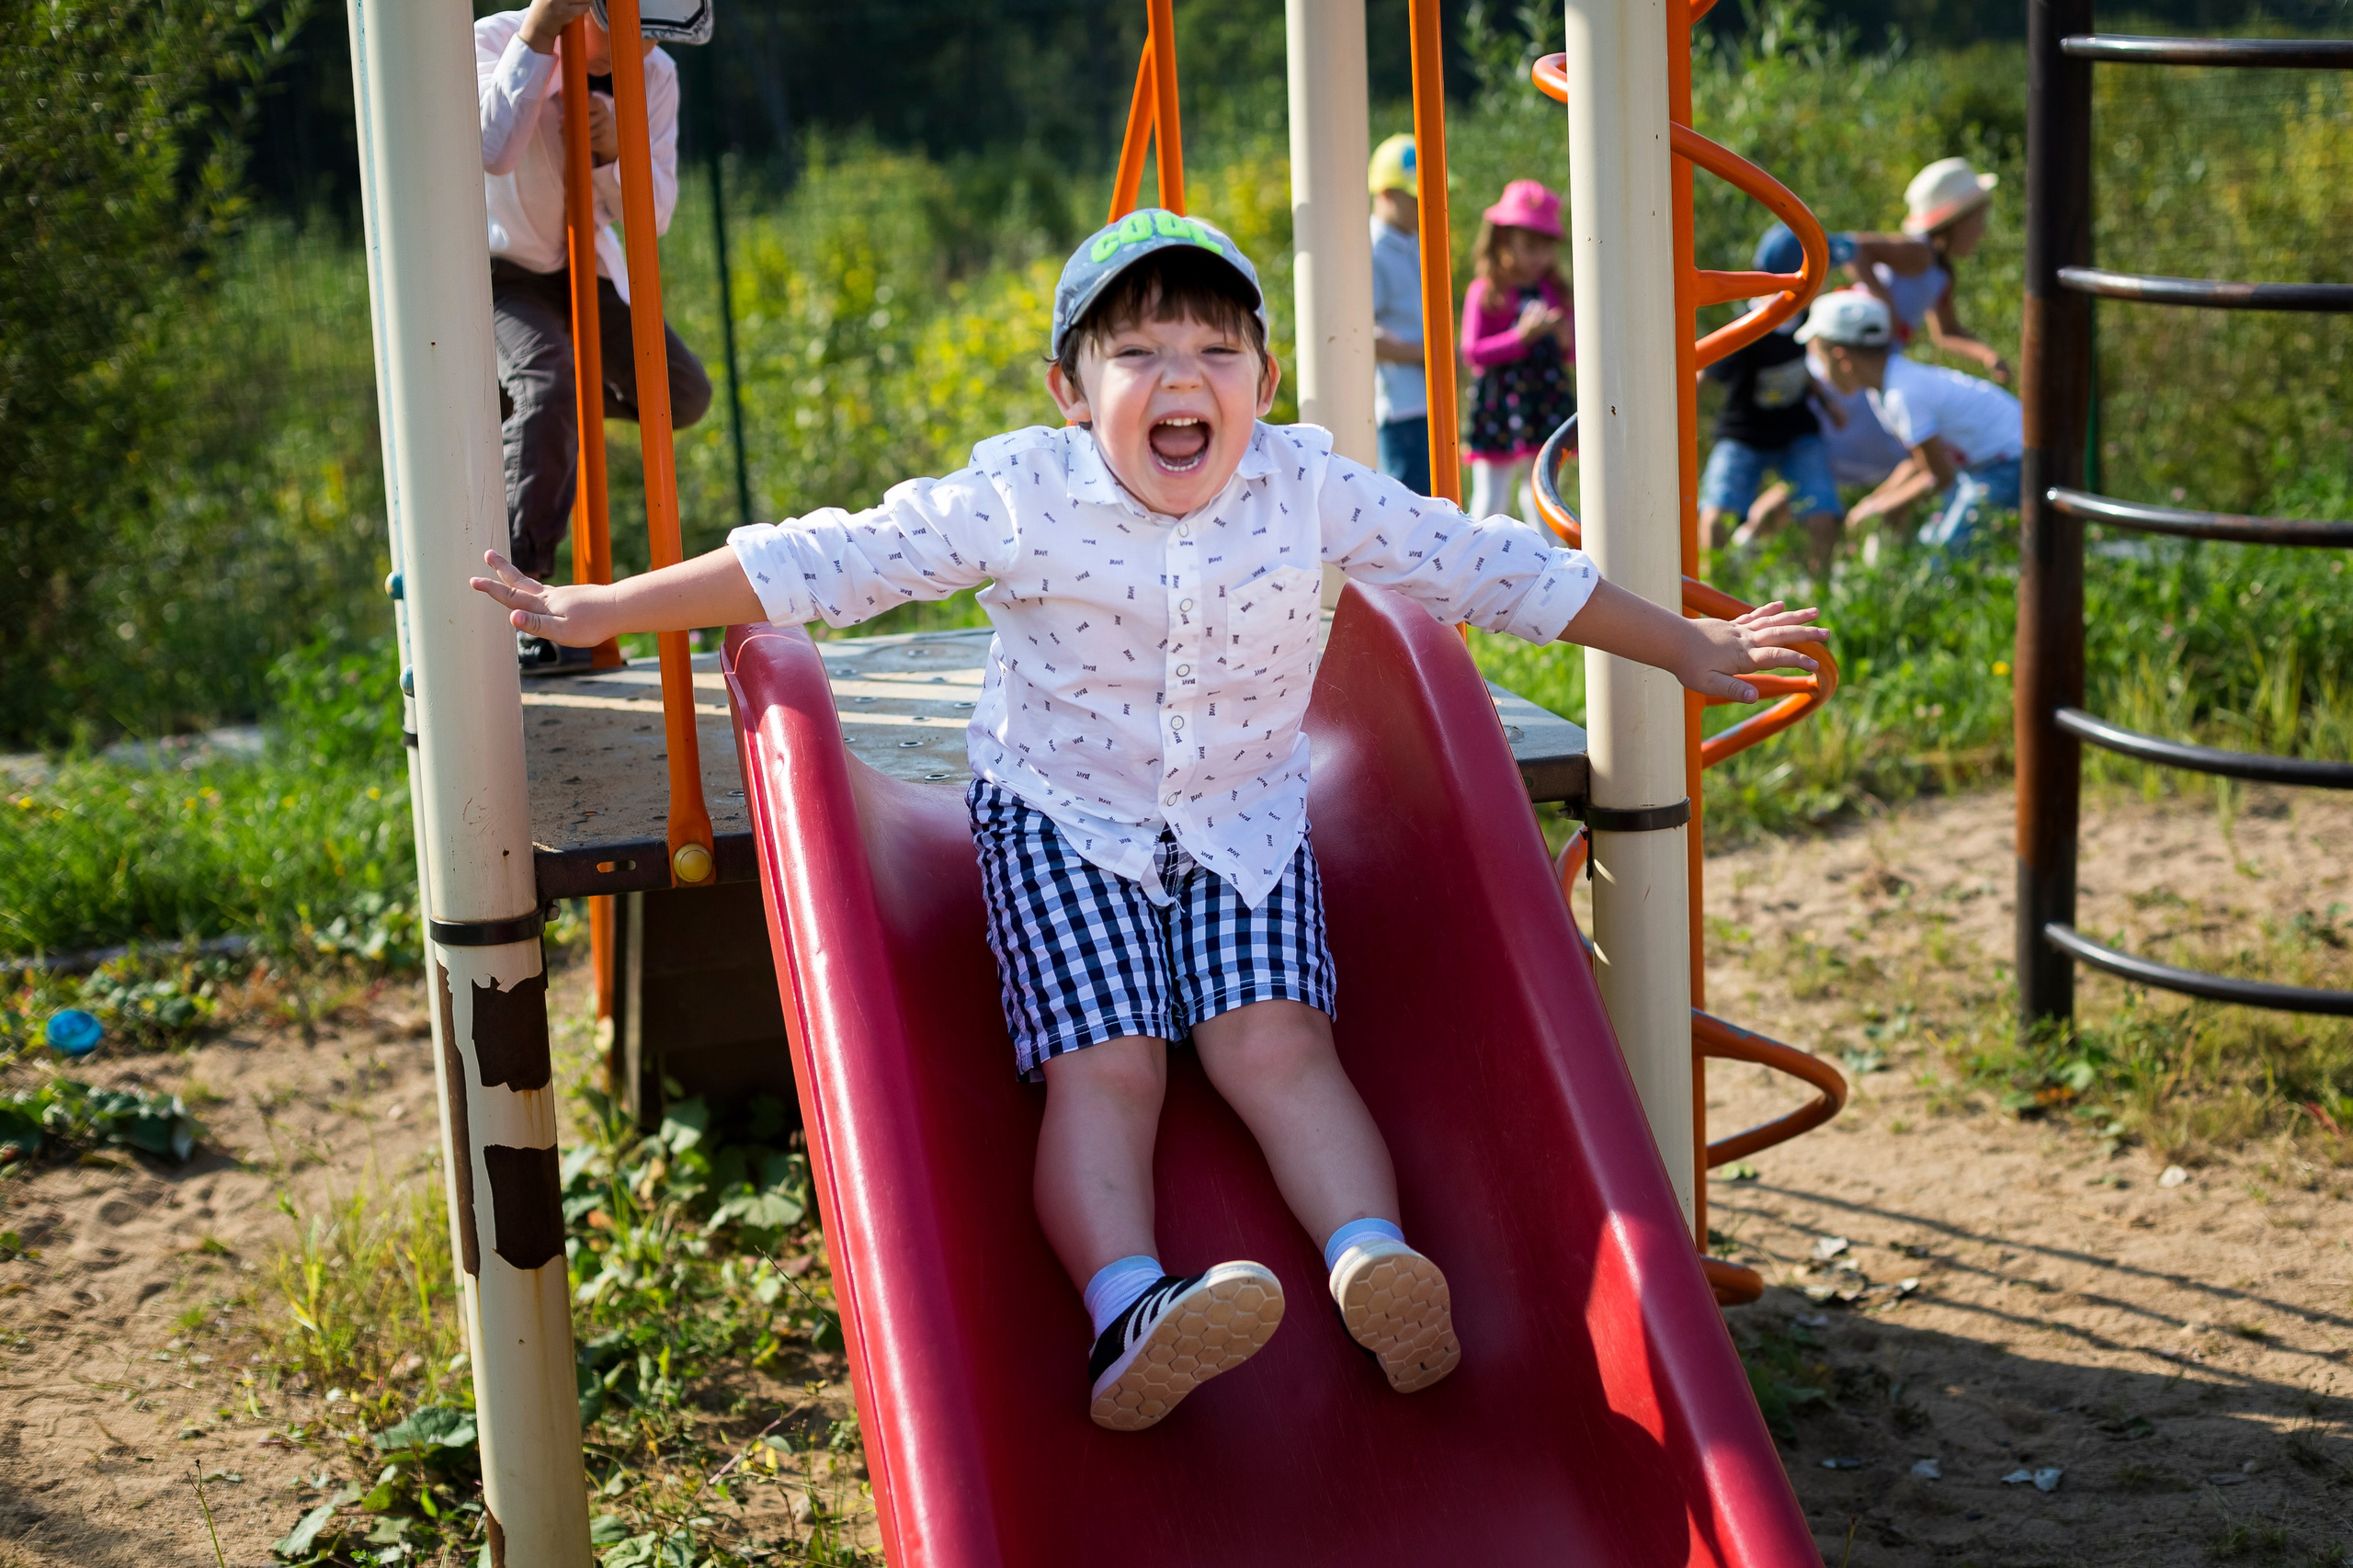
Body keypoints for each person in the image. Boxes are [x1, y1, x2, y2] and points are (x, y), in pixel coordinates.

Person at [470, 210, 1824, 1431]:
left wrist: (1684, 643)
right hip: (1064, 820)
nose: (1182, 378)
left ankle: (1370, 1257)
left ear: (1264, 384)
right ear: (1070, 390)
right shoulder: (1021, 496)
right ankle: (1131, 1304)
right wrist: (607, 606)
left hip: (1243, 819)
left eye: (1216, 350)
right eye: (1137, 353)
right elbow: (827, 558)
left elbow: (1488, 566)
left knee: (1279, 1045)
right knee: (1108, 1067)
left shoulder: (1309, 488)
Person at [478, 0, 714, 672]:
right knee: (548, 383)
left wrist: (613, 155)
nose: (637, 49)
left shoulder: (654, 76)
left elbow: (653, 215)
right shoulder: (498, 40)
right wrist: (539, 37)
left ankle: (536, 416)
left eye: (655, 36)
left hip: (586, 264)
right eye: (619, 28)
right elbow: (493, 151)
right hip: (504, 272)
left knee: (681, 394)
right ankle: (523, 597)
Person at [1798, 290, 2023, 555]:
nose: (1822, 376)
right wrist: (1873, 501)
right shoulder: (1884, 388)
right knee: (1931, 542)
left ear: (1841, 359)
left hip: (2010, 463)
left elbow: (1938, 477)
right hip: (1981, 466)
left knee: (1943, 559)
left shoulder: (1902, 395)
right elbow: (1920, 461)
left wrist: (1880, 508)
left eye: (1820, 361)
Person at [1699, 234, 1850, 583]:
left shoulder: (1807, 316)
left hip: (1795, 432)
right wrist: (1674, 417)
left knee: (1823, 512)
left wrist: (1827, 404)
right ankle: (1713, 589)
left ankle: (1820, 588)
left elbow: (1797, 369)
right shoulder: (1748, 326)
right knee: (1716, 515)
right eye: (1820, 273)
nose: (1826, 282)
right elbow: (1706, 372)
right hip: (1744, 434)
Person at [1460, 180, 1574, 524]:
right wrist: (1521, 337)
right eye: (1530, 246)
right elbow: (1473, 352)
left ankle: (1546, 553)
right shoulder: (1486, 291)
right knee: (1491, 496)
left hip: (1543, 402)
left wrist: (1564, 339)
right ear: (1502, 240)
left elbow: (1570, 355)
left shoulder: (1555, 291)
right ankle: (1476, 554)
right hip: (1499, 406)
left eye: (1546, 247)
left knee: (1543, 491)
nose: (1540, 257)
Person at [1368, 133, 1429, 494]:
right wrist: (1426, 354)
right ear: (1387, 194)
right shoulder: (1372, 249)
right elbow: (1362, 332)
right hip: (1398, 408)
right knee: (1408, 506)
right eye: (1417, 196)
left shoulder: (1415, 241)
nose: (1427, 204)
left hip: (1424, 402)